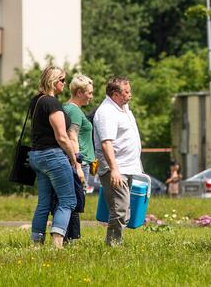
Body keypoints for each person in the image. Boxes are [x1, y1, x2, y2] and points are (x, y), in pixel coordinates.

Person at [27, 66, 84, 248]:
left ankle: (36, 243)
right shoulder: (52, 103)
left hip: (36, 156)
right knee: (68, 199)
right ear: (53, 81)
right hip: (53, 156)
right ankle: (57, 242)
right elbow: (62, 136)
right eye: (62, 80)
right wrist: (74, 159)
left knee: (43, 201)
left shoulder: (36, 101)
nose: (64, 84)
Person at [93, 76, 143, 246]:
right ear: (115, 94)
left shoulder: (123, 108)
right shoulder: (106, 112)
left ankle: (116, 242)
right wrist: (114, 170)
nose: (131, 95)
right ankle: (112, 246)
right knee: (120, 209)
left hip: (128, 166)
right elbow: (106, 143)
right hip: (116, 168)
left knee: (124, 209)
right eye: (126, 92)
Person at [51, 74, 95, 242]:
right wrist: (77, 164)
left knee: (70, 199)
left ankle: (70, 237)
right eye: (89, 93)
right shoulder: (75, 111)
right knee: (75, 200)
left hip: (74, 161)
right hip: (79, 161)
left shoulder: (66, 108)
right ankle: (71, 238)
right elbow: (72, 136)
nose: (91, 96)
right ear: (79, 92)